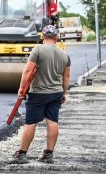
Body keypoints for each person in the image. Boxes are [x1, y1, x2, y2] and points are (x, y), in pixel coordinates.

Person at [9, 24, 71, 164]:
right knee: (52, 121)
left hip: (38, 93)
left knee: (31, 123)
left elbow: (28, 70)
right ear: (56, 37)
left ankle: (22, 154)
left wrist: (21, 88)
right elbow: (66, 77)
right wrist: (64, 92)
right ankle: (48, 154)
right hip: (56, 92)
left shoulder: (37, 50)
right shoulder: (64, 54)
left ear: (42, 36)